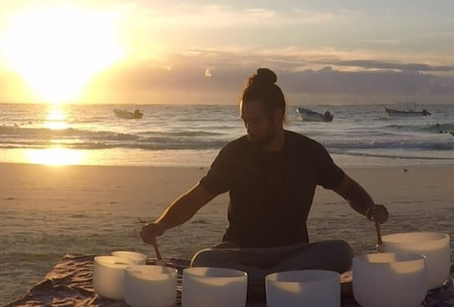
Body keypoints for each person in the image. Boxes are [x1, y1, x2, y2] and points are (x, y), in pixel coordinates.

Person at [140, 68, 389, 295]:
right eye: (244, 121)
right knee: (205, 260)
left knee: (341, 252)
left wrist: (369, 208)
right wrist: (160, 226)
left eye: (255, 121)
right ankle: (281, 283)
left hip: (293, 252)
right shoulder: (234, 154)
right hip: (240, 253)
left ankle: (254, 284)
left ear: (277, 115)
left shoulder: (308, 152)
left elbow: (347, 189)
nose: (248, 127)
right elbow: (196, 198)